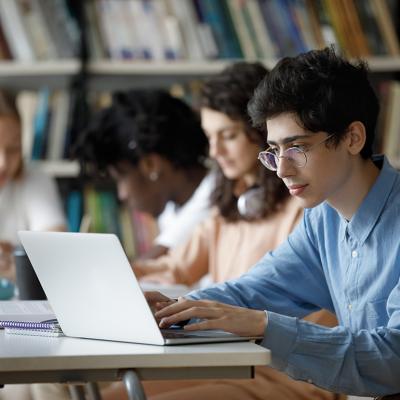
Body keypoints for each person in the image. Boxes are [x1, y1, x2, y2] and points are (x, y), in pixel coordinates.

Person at [148, 47, 400, 399]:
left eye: (296, 147)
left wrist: (265, 326)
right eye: (274, 151)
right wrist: (169, 310)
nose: (282, 169)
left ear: (352, 138)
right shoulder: (322, 219)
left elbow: (393, 359)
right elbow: (251, 292)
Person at [100, 62, 338, 400]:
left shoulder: (305, 210)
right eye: (210, 138)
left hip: (288, 372)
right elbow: (173, 268)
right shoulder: (230, 207)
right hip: (230, 359)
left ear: (261, 133)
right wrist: (105, 272)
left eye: (227, 136)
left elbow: (292, 307)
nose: (214, 152)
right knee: (109, 396)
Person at [76, 89, 212, 259]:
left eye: (121, 177)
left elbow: (151, 265)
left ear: (151, 164)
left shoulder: (217, 197)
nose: (122, 195)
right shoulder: (171, 208)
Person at [0, 91, 66, 283]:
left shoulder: (34, 178)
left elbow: (55, 248)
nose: (3, 162)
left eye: (13, 149)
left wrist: (13, 260)